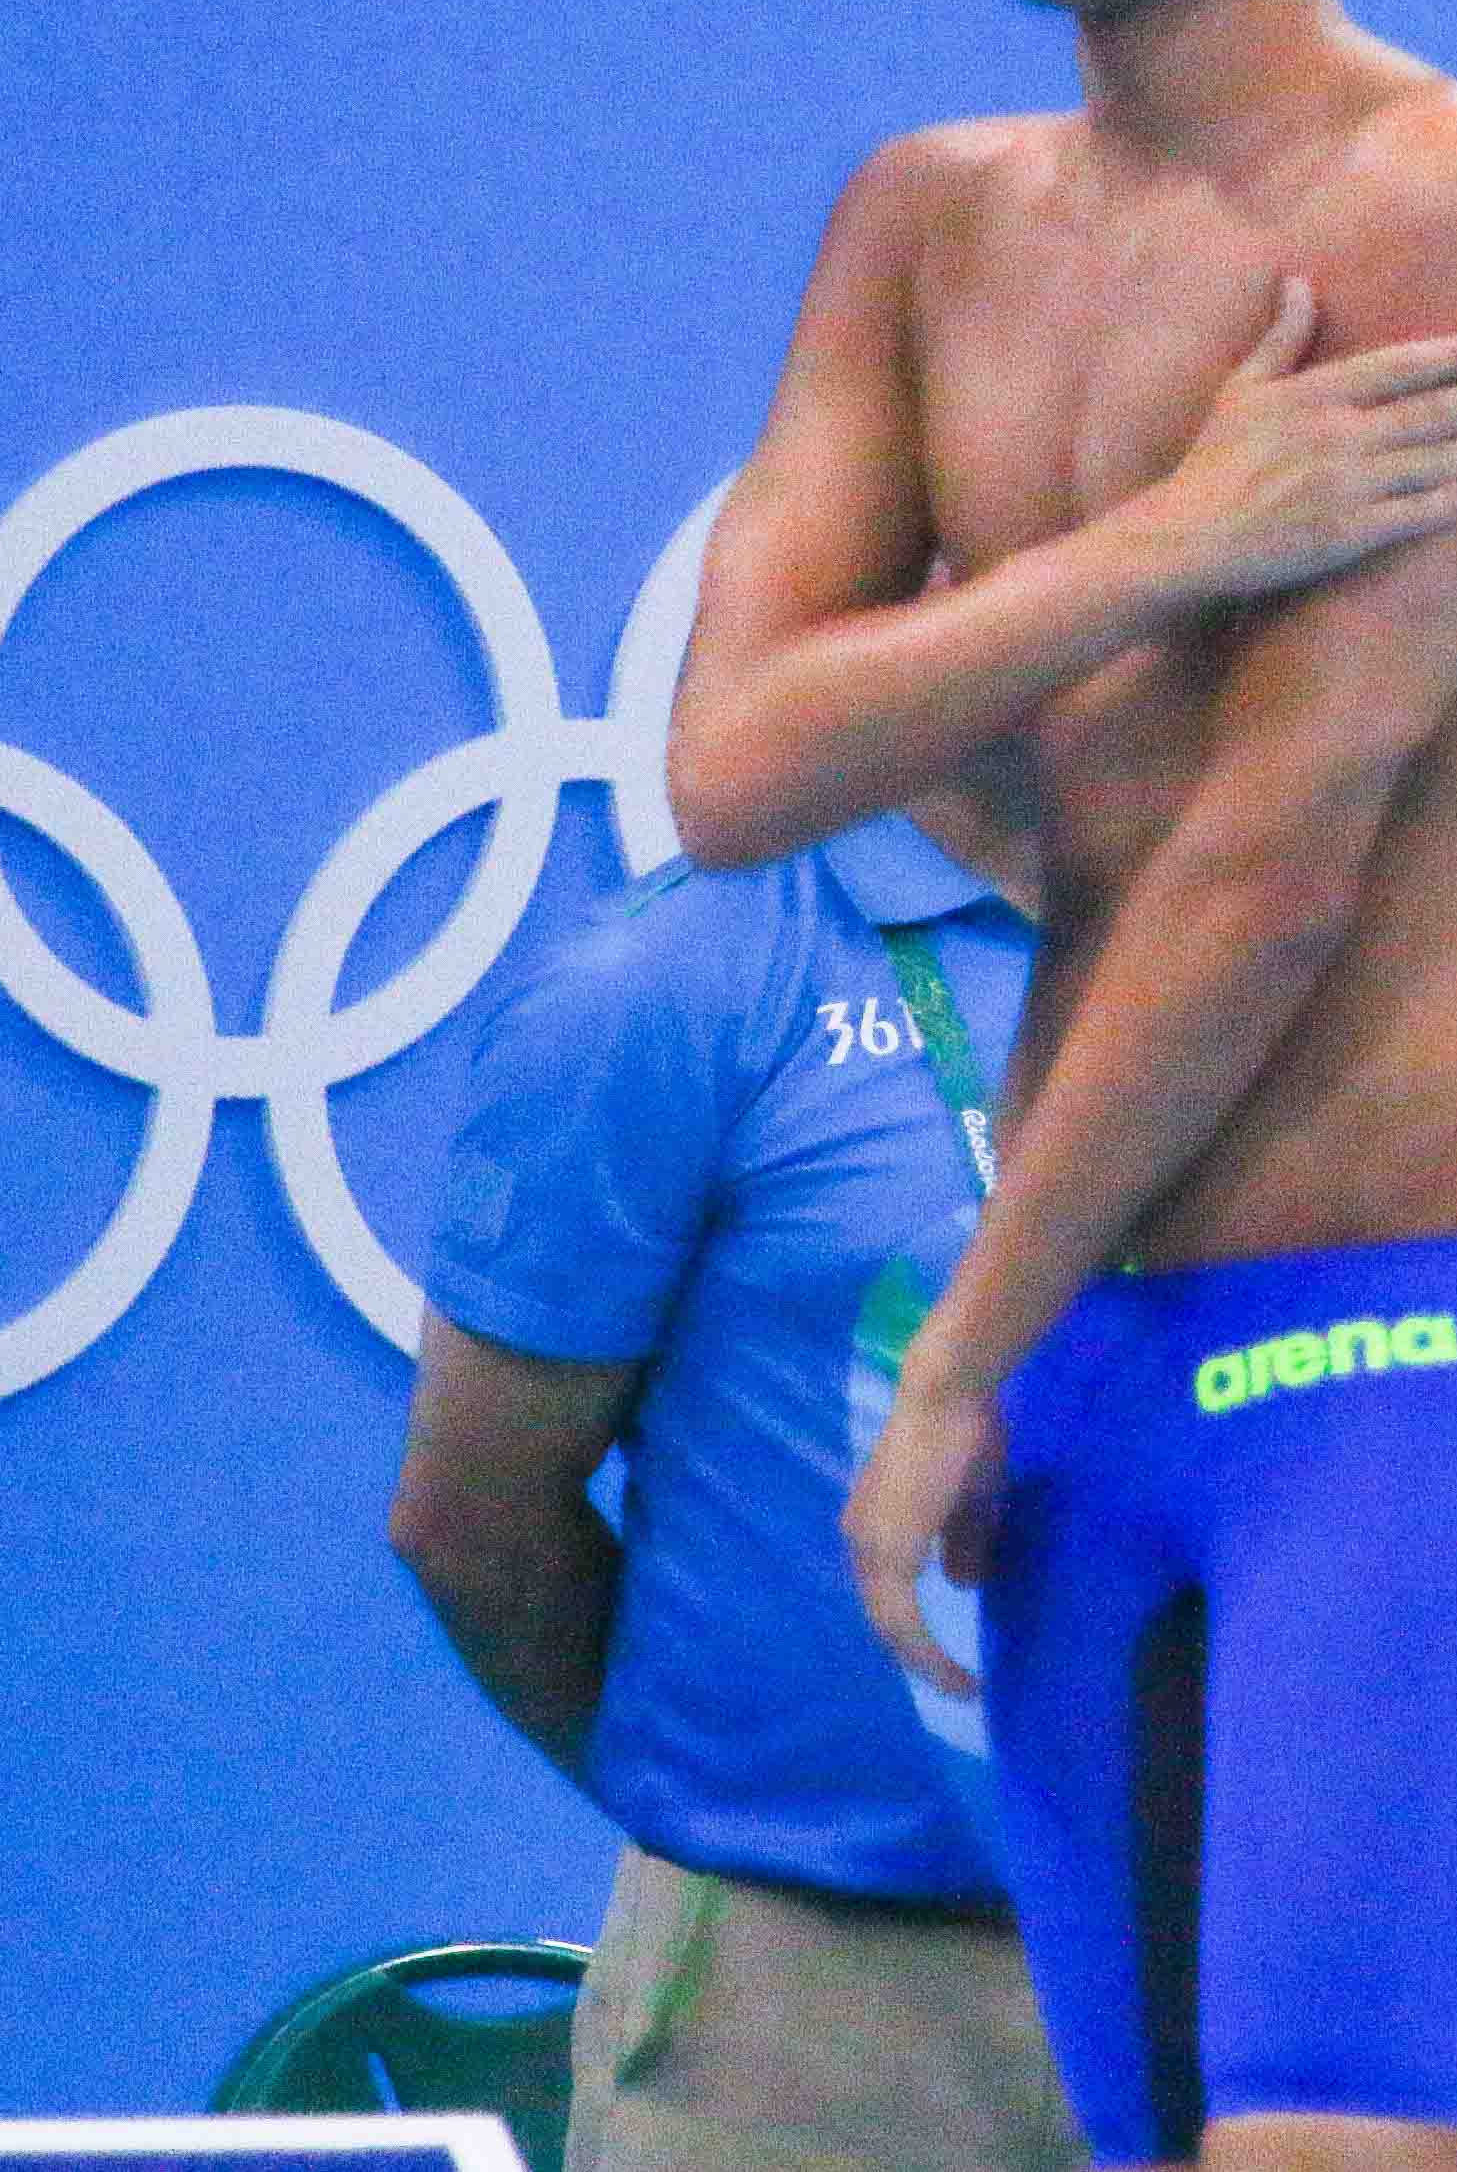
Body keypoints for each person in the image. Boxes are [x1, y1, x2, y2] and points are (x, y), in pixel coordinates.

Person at [656, 0, 1457, 2172]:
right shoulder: (924, 224)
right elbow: (730, 763)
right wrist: (1166, 549)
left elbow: (1269, 864)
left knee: (1326, 2146)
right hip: (1090, 1359)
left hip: (1385, 1343)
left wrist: (954, 1347)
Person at [392, 786, 1079, 2172]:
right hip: (813, 2013)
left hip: (1239, 1992)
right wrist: (762, 1832)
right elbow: (474, 1523)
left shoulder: (1286, 932)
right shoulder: (672, 979)